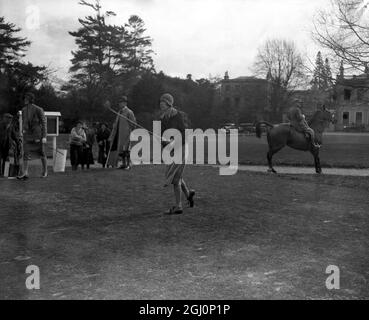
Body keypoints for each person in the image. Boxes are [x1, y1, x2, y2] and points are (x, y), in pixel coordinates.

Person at [159, 93, 195, 215]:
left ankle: (178, 206)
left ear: (168, 103)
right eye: (160, 102)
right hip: (173, 149)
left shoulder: (177, 115)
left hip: (182, 147)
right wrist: (164, 142)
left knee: (175, 178)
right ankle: (189, 194)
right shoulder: (163, 118)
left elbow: (184, 133)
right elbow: (163, 135)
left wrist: (174, 140)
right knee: (177, 176)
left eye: (163, 102)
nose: (160, 104)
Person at [17, 92, 48, 180]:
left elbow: (43, 123)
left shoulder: (38, 109)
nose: (24, 100)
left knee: (41, 153)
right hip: (27, 135)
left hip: (37, 135)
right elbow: (23, 121)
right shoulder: (23, 109)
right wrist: (23, 129)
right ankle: (25, 172)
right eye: (24, 98)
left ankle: (45, 171)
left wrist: (44, 136)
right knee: (25, 153)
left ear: (30, 99)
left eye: (26, 98)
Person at [106, 95, 136, 170]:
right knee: (121, 150)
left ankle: (128, 165)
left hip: (127, 134)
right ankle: (123, 164)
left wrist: (130, 132)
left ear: (125, 103)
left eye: (121, 102)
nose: (120, 104)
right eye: (119, 102)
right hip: (119, 134)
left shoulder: (129, 112)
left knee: (127, 150)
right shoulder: (119, 112)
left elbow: (134, 123)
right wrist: (112, 135)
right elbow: (116, 124)